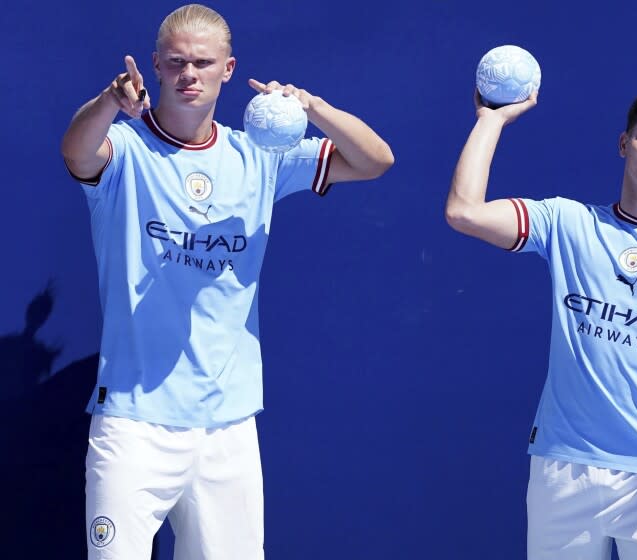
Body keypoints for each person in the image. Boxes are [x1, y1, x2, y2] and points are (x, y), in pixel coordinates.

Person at [61, 4, 393, 559]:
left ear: (229, 69)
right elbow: (76, 152)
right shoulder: (127, 149)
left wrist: (311, 106)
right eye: (176, 63)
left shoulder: (261, 155)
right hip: (133, 425)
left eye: (203, 62)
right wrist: (107, 103)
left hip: (228, 427)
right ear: (156, 66)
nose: (189, 74)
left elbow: (376, 159)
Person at [445, 86, 637, 559]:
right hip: (562, 470)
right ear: (624, 144)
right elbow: (464, 212)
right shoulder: (567, 223)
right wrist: (491, 121)